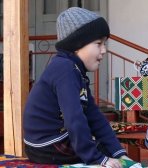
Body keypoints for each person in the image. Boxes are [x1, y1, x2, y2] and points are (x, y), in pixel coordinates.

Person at [23, 7, 131, 167]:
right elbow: (75, 119)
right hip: (47, 145)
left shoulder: (75, 71)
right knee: (100, 154)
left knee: (109, 152)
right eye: (98, 44)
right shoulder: (65, 69)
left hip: (48, 143)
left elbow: (94, 117)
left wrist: (118, 152)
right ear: (76, 45)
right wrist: (99, 159)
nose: (104, 50)